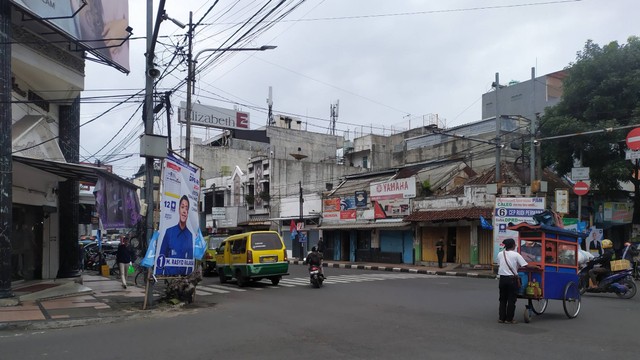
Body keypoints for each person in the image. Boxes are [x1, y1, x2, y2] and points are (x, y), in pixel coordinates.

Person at [159, 195, 194, 275]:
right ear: (179, 210)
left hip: (183, 278)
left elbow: (190, 259)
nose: (184, 211)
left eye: (186, 208)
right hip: (169, 276)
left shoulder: (190, 235)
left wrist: (189, 277)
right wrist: (159, 273)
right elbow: (162, 255)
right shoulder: (169, 232)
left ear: (188, 212)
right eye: (182, 207)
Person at [497, 238, 529, 324]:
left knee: (502, 299)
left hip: (502, 279)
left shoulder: (500, 254)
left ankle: (501, 318)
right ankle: (509, 319)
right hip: (512, 280)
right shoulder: (516, 255)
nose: (515, 246)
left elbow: (500, 264)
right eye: (514, 244)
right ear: (512, 245)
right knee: (511, 299)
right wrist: (536, 267)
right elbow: (525, 265)